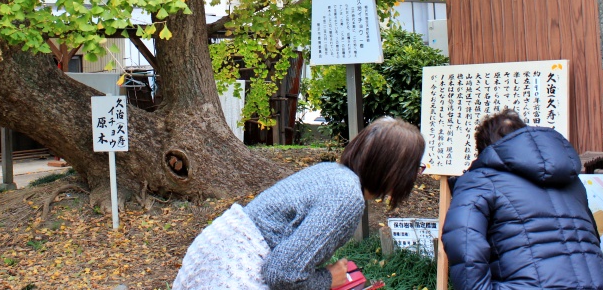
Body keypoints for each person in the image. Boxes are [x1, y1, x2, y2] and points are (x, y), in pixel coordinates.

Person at [172, 117, 426, 290]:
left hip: (210, 258)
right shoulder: (347, 197)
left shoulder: (331, 172)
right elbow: (283, 273)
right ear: (393, 171)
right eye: (415, 167)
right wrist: (329, 279)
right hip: (231, 273)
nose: (416, 174)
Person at [442, 109, 603, 290]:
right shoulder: (572, 183)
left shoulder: (479, 180)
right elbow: (591, 241)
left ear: (484, 149)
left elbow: (464, 243)